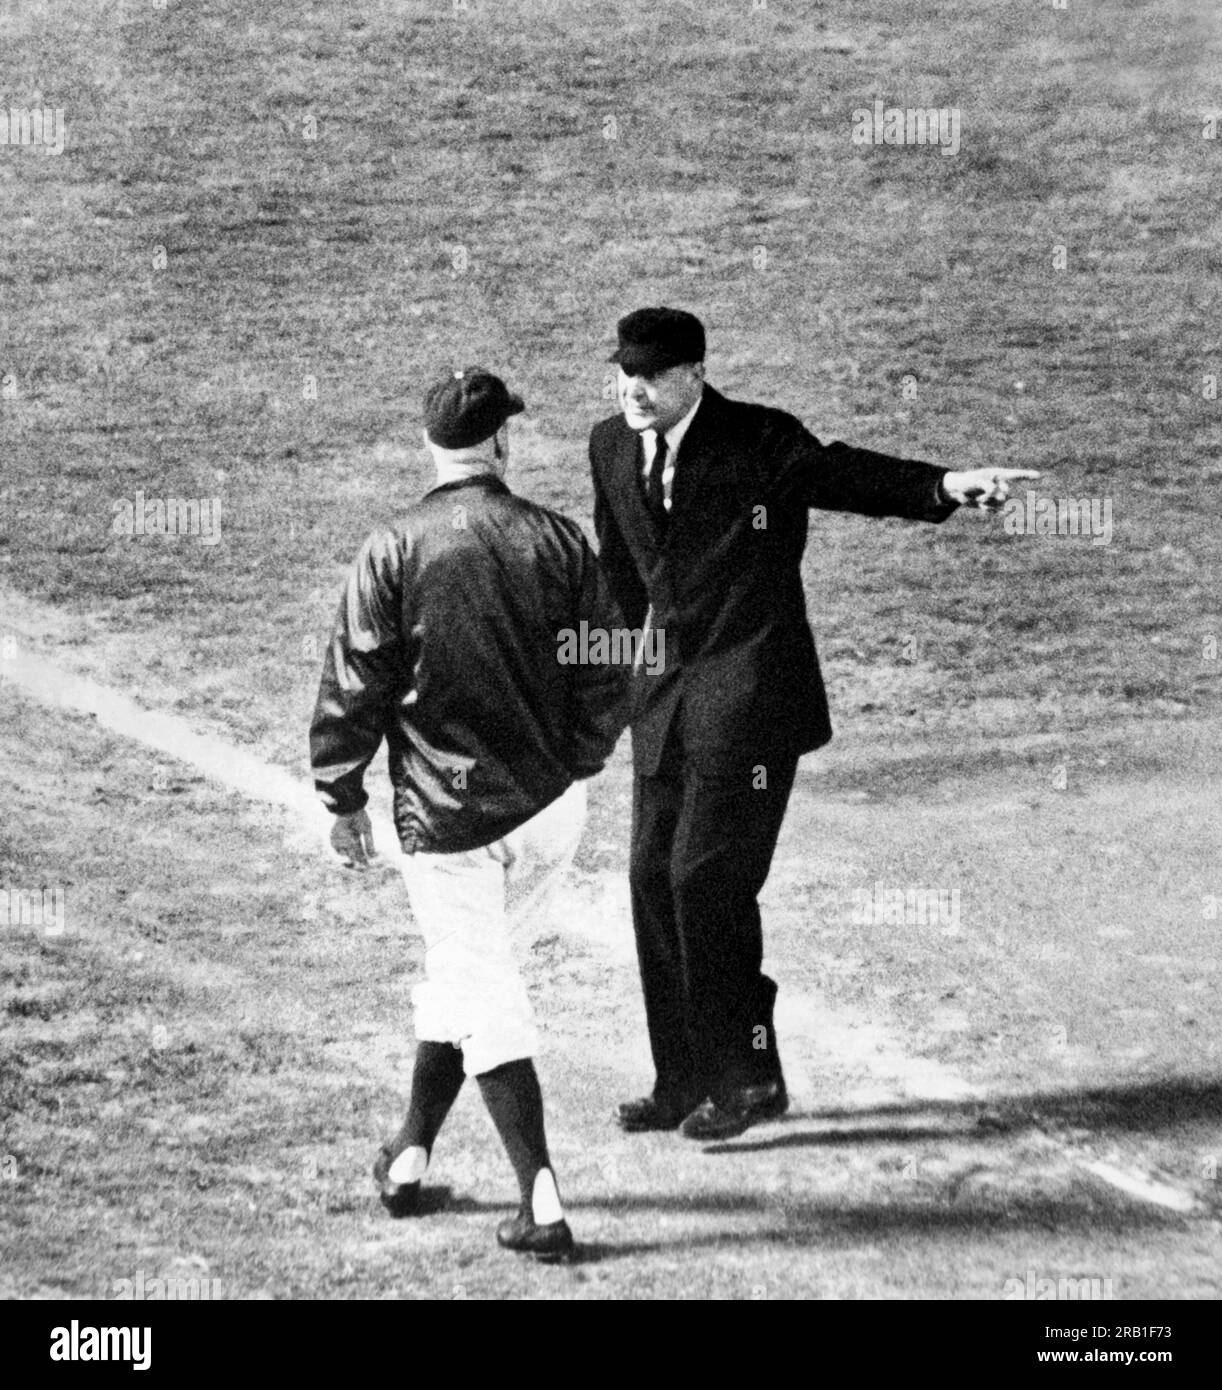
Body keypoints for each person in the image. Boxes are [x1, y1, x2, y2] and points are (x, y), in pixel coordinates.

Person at [589, 306, 1039, 1141]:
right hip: (663, 703)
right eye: (625, 372)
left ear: (693, 373)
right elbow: (621, 574)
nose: (634, 389)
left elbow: (844, 475)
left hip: (751, 702)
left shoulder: (759, 441)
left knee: (705, 882)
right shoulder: (609, 445)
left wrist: (944, 486)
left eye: (650, 375)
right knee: (652, 880)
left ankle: (750, 1077)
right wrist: (614, 686)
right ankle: (681, 1076)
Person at [311, 367, 630, 1260]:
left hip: (449, 822)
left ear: (431, 446)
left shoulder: (392, 548)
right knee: (469, 976)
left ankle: (543, 1200)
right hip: (551, 812)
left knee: (482, 990)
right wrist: (575, 762)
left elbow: (352, 687)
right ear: (499, 444)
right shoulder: (557, 539)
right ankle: (409, 1154)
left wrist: (342, 798)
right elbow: (613, 666)